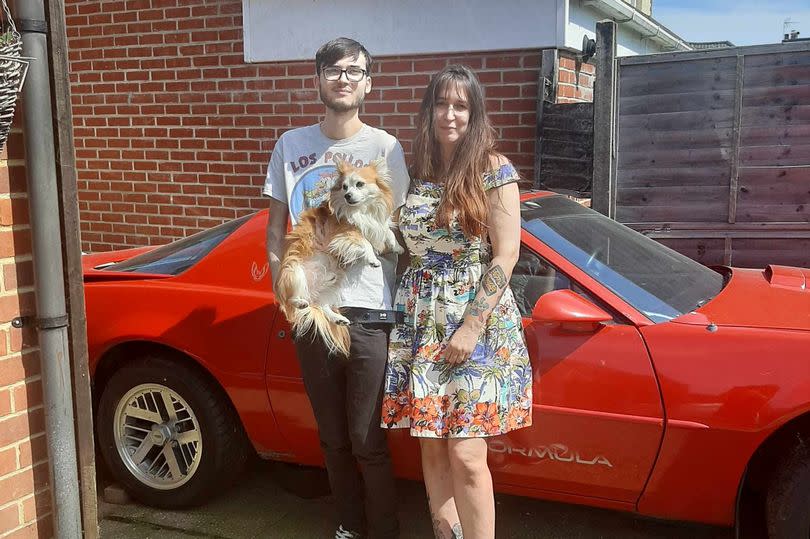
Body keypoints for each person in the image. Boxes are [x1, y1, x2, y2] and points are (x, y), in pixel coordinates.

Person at [263, 37, 410, 539]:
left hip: (370, 311)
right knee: (332, 438)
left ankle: (384, 530)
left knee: (368, 437)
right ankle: (349, 527)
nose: (343, 78)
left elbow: (399, 235)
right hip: (314, 311)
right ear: (318, 79)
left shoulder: (385, 148)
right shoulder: (291, 145)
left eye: (354, 71)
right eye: (333, 70)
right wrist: (286, 295)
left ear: (368, 82)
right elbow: (275, 227)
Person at [380, 65, 533, 539]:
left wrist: (470, 326)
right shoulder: (414, 172)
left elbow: (506, 254)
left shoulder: (493, 168)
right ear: (428, 111)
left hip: (476, 321)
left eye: (460, 105)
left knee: (467, 453)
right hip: (421, 317)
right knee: (430, 446)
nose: (450, 114)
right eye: (441, 104)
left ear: (474, 113)